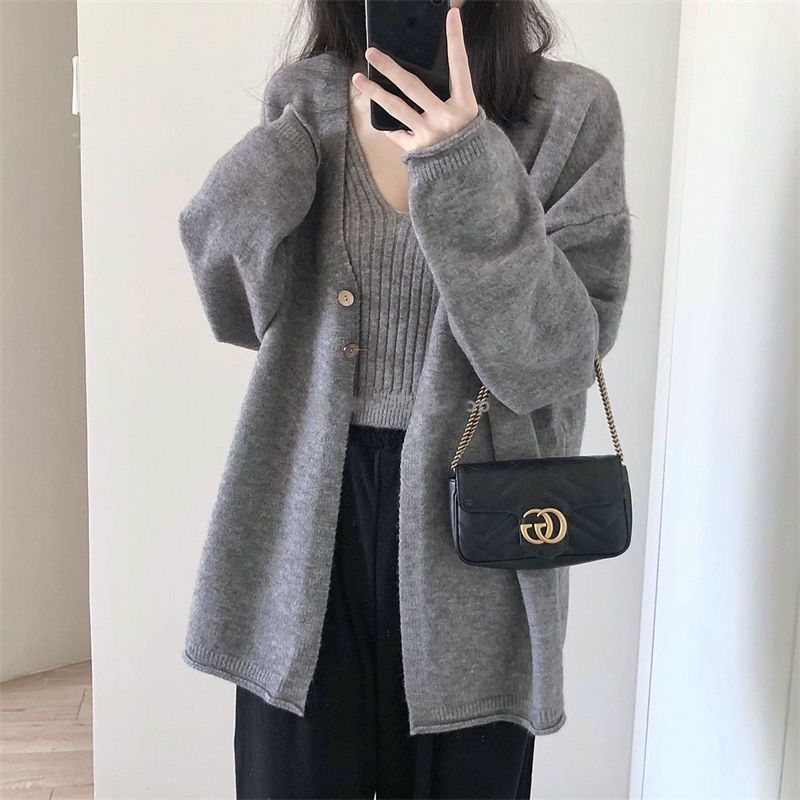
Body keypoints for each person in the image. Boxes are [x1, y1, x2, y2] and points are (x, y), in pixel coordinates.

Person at [177, 0, 632, 797]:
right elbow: (233, 308)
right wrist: (277, 161)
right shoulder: (307, 102)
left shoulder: (570, 111)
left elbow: (554, 359)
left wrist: (466, 165)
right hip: (307, 517)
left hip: (478, 530)